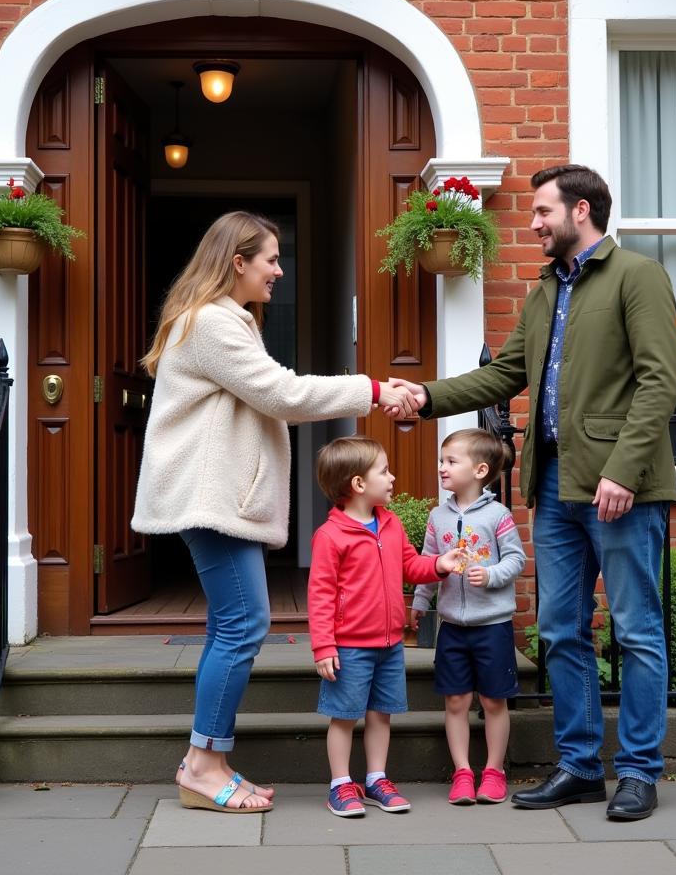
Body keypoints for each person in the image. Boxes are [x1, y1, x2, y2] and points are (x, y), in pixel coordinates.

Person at [390, 164, 676, 821]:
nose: (534, 223)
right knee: (561, 630)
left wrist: (625, 470)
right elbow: (504, 375)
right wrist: (426, 398)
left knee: (635, 631)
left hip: (620, 490)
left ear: (581, 211)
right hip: (553, 486)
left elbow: (660, 383)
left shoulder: (637, 276)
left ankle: (638, 770)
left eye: (543, 211)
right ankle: (579, 766)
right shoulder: (546, 289)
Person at [131, 211, 419, 815]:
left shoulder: (221, 320)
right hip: (210, 503)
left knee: (230, 626)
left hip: (212, 501)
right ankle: (205, 766)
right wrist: (372, 390)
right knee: (243, 625)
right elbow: (282, 394)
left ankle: (207, 762)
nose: (279, 269)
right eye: (270, 258)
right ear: (237, 262)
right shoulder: (212, 322)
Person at [307, 435, 465, 818]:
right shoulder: (330, 536)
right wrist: (323, 646)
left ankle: (376, 778)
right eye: (384, 471)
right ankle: (341, 785)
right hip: (348, 646)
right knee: (344, 716)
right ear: (358, 484)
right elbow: (320, 594)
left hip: (390, 642)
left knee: (381, 712)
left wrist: (439, 565)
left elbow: (411, 566)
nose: (392, 477)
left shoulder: (390, 524)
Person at [411, 428, 526, 806]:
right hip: (452, 628)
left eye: (450, 461)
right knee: (456, 702)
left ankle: (493, 771)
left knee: (494, 701)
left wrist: (491, 575)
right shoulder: (437, 517)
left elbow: (516, 559)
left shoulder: (498, 515)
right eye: (442, 461)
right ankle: (462, 771)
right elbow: (428, 563)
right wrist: (420, 602)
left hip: (491, 626)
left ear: (479, 470)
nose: (442, 468)